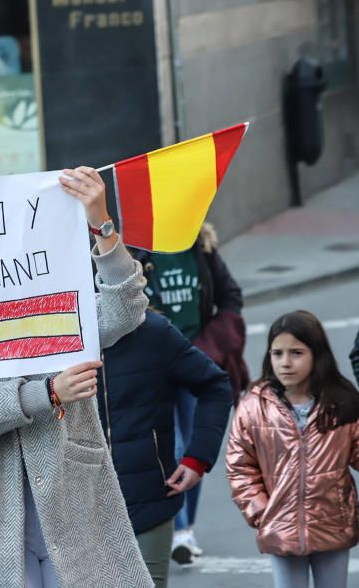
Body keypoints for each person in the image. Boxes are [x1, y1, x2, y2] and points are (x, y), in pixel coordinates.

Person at [0, 166, 154, 587]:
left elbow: (126, 310)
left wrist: (101, 225)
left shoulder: (54, 297)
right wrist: (47, 392)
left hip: (76, 508)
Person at [132, 223, 248, 562]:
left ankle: (186, 529)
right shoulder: (141, 253)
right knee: (173, 443)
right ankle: (178, 530)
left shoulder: (201, 247)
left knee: (195, 446)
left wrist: (210, 344)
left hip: (196, 361)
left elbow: (231, 297)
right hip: (157, 365)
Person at [98, 310, 233, 587]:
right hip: (81, 510)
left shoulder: (153, 332)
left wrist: (198, 458)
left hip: (150, 503)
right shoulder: (59, 341)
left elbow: (215, 386)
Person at [227, 310, 359, 588]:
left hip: (333, 525)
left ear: (317, 355)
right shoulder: (254, 407)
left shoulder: (343, 403)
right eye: (278, 354)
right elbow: (240, 467)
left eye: (296, 353)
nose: (285, 363)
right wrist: (262, 512)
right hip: (279, 529)